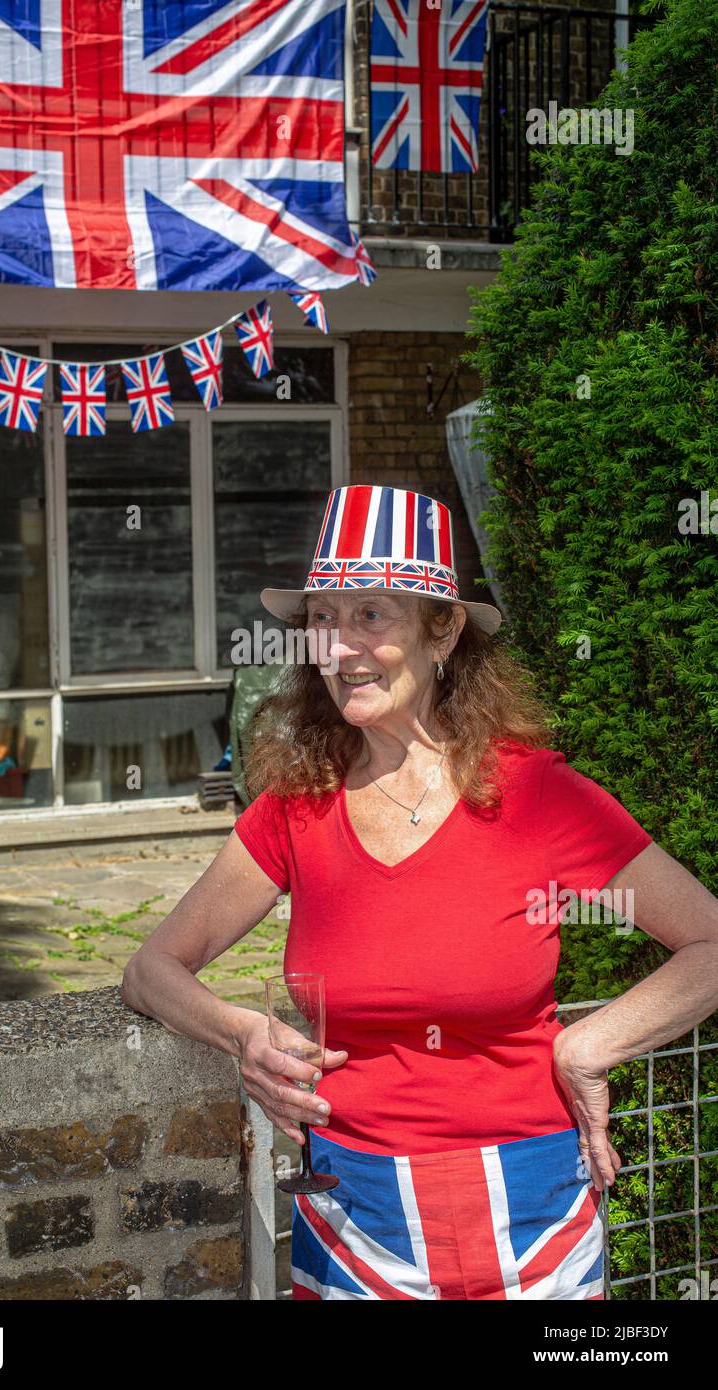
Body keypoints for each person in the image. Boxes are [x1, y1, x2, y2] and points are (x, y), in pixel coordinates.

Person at [122, 483, 718, 1301]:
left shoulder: (536, 797)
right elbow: (153, 967)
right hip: (353, 1221)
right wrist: (240, 1035)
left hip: (535, 1215)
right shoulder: (296, 806)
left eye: (371, 615)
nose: (339, 646)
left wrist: (591, 1044)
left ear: (444, 631)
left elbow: (710, 940)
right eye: (323, 619)